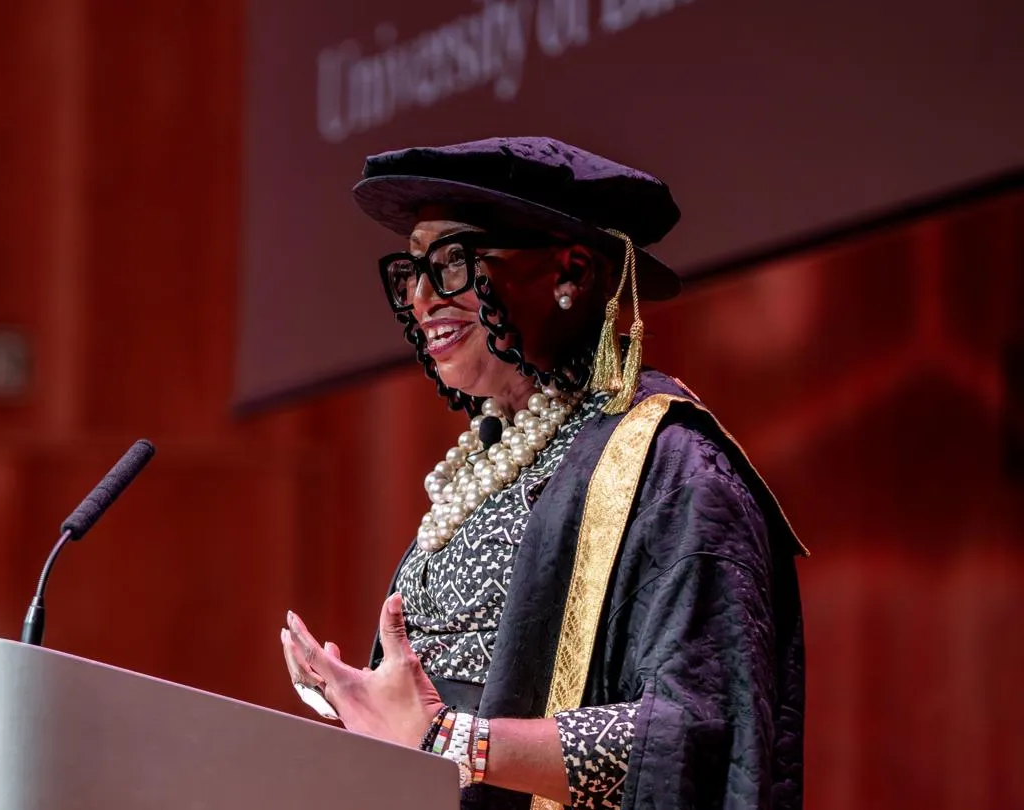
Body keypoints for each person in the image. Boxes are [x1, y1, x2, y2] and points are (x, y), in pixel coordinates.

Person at [280, 137, 807, 810]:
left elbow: (697, 735)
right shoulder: (487, 460)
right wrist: (367, 709)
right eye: (413, 272)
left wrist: (454, 742)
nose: (422, 299)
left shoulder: (672, 469)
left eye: (453, 262)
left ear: (572, 273)